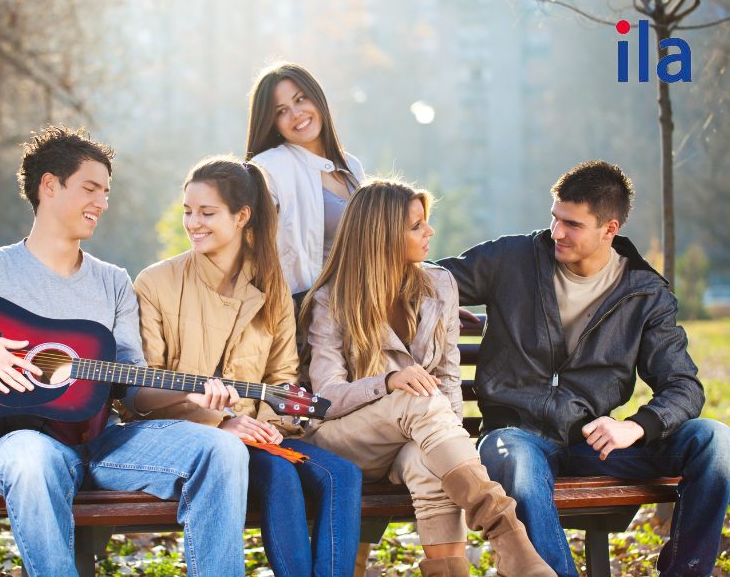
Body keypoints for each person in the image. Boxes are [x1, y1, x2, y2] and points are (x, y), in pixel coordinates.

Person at [0, 126, 249, 577]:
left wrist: (189, 395)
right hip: (23, 444)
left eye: (106, 192)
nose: (102, 203)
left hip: (105, 441)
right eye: (90, 188)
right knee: (31, 455)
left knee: (223, 450)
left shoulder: (113, 281)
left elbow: (132, 388)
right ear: (49, 186)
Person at [436, 160, 730, 577]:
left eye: (572, 224)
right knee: (519, 459)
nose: (556, 232)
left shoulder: (644, 294)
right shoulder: (512, 259)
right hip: (516, 437)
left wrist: (638, 426)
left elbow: (683, 386)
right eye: (554, 217)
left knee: (715, 441)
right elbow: (422, 278)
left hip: (594, 445)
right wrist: (439, 301)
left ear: (609, 229)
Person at [298, 180, 555, 577]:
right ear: (381, 235)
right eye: (416, 225)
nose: (429, 232)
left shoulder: (440, 284)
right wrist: (386, 383)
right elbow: (327, 398)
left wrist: (446, 436)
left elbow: (450, 378)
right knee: (418, 397)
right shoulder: (332, 299)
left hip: (416, 437)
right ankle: (510, 539)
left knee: (430, 464)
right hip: (347, 442)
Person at [129, 155, 363, 577]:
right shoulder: (156, 283)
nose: (193, 223)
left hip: (260, 435)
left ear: (241, 216)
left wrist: (270, 425)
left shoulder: (270, 286)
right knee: (280, 476)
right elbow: (142, 388)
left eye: (207, 212)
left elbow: (282, 378)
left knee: (342, 476)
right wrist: (219, 424)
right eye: (188, 211)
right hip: (193, 439)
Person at [246, 61, 365, 296]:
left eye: (300, 99)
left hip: (362, 306)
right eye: (281, 111)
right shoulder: (268, 168)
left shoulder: (352, 165)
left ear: (317, 98)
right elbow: (247, 247)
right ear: (273, 123)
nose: (296, 114)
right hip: (308, 315)